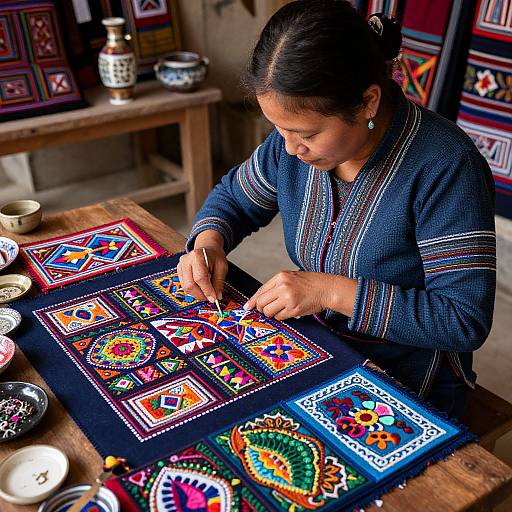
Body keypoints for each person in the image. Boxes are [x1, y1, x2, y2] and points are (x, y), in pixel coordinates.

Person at [177, 0, 496, 420]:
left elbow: (462, 319)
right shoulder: (291, 149)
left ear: (367, 102)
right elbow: (234, 198)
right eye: (279, 130)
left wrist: (329, 291)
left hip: (410, 376)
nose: (290, 148)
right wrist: (208, 243)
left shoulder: (446, 166)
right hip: (318, 344)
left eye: (306, 133)